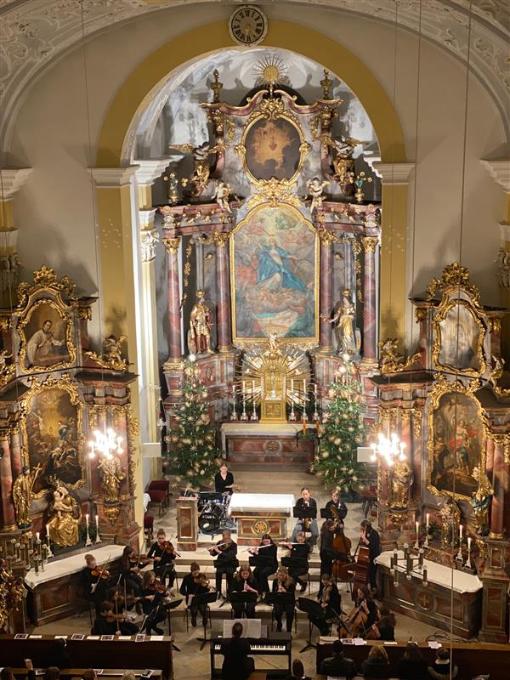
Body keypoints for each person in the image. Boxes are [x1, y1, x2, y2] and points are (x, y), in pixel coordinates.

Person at [209, 530, 238, 597]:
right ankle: (218, 591)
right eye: (223, 537)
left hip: (230, 563)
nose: (224, 539)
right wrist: (211, 552)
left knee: (230, 574)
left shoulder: (234, 545)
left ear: (229, 536)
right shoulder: (220, 542)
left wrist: (219, 551)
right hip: (221, 563)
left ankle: (230, 591)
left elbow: (230, 555)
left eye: (225, 537)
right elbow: (214, 554)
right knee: (218, 574)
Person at [140, 570, 169, 635]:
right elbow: (139, 598)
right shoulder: (142, 586)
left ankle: (152, 626)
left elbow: (162, 593)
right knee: (150, 615)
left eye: (153, 579)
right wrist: (147, 597)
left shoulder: (157, 583)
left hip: (157, 604)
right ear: (146, 579)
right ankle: (149, 629)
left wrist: (165, 593)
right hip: (148, 604)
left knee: (163, 615)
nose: (152, 582)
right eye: (150, 580)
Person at [271, 566, 295, 632]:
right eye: (279, 575)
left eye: (282, 575)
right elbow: (273, 593)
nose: (280, 577)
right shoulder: (275, 581)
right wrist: (277, 592)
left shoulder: (291, 582)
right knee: (277, 611)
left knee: (290, 612)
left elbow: (292, 595)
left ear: (286, 575)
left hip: (289, 601)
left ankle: (289, 629)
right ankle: (279, 624)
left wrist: (284, 591)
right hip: (279, 600)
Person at [360, 519, 381, 591]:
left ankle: (373, 590)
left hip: (374, 557)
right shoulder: (367, 532)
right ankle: (367, 589)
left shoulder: (374, 533)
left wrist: (365, 539)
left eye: (363, 528)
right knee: (368, 574)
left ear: (365, 526)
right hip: (368, 556)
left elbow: (372, 546)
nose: (362, 529)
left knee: (372, 575)